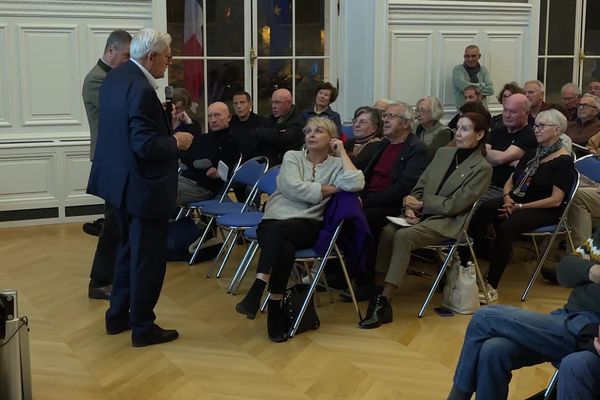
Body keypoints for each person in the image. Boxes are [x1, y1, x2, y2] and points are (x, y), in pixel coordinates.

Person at [87, 28, 194, 347]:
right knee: (146, 259)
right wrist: (176, 140)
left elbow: (126, 131)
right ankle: (143, 326)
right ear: (151, 57)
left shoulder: (115, 78)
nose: (169, 62)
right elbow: (145, 146)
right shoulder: (142, 89)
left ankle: (117, 317)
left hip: (118, 184)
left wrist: (162, 122)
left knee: (125, 252)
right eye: (167, 57)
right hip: (142, 189)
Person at [234, 117, 364, 342]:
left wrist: (342, 152)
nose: (311, 134)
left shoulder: (336, 165)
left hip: (306, 224)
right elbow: (290, 187)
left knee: (279, 235)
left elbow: (356, 183)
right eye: (308, 131)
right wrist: (327, 189)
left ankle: (258, 288)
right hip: (273, 219)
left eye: (319, 131)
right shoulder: (292, 157)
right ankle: (274, 307)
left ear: (332, 139)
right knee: (283, 248)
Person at [359, 112, 492, 329]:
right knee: (388, 231)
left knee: (403, 236)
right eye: (457, 128)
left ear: (479, 135)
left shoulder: (482, 168)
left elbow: (455, 205)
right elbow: (420, 186)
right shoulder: (443, 154)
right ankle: (377, 292)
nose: (458, 134)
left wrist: (421, 205)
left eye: (465, 129)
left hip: (448, 222)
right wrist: (410, 203)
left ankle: (384, 302)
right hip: (421, 215)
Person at [446, 254, 600, 400]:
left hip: (587, 328)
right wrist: (590, 271)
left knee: (484, 318)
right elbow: (564, 272)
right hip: (566, 316)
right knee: (493, 349)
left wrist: (584, 270)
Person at [468, 109, 576, 303]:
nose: (536, 129)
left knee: (507, 227)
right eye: (536, 125)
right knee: (482, 210)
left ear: (557, 130)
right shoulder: (533, 153)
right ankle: (468, 265)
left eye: (542, 126)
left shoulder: (564, 161)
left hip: (545, 209)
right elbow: (512, 179)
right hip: (517, 199)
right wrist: (508, 198)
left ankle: (491, 284)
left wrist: (519, 206)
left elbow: (556, 200)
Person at [346, 102, 429, 302]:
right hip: (370, 198)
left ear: (406, 123)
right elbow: (361, 171)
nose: (385, 119)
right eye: (385, 116)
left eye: (391, 116)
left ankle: (366, 283)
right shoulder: (383, 144)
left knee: (361, 219)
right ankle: (338, 273)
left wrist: (365, 202)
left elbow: (402, 189)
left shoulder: (417, 149)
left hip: (394, 205)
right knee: (335, 209)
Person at [82, 29, 132, 300]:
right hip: (109, 158)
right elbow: (117, 117)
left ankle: (110, 276)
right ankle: (99, 281)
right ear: (110, 50)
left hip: (115, 158)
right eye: (125, 55)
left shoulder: (111, 77)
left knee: (117, 222)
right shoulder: (96, 80)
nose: (126, 61)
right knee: (113, 224)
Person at [177, 102, 240, 206]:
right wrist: (198, 161)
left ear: (228, 117)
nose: (213, 120)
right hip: (184, 179)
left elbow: (206, 162)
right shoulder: (204, 138)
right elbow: (185, 156)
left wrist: (197, 162)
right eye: (210, 116)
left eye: (217, 115)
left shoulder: (231, 142)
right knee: (152, 184)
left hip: (203, 187)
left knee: (161, 193)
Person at [483, 93, 537, 201]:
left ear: (526, 113)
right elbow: (482, 154)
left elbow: (501, 158)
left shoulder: (529, 135)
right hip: (484, 184)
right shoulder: (496, 132)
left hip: (505, 189)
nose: (507, 115)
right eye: (505, 110)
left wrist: (498, 158)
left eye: (513, 112)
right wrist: (506, 161)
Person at [253, 88, 304, 166]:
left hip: (285, 164)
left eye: (277, 102)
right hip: (264, 162)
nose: (273, 106)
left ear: (289, 103)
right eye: (272, 102)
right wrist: (276, 133)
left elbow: (284, 139)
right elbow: (257, 133)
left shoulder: (298, 120)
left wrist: (268, 134)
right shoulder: (270, 118)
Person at [452, 45, 494, 109]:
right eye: (467, 56)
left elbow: (490, 90)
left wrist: (472, 87)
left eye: (473, 56)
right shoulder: (458, 70)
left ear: (479, 56)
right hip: (464, 111)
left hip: (482, 110)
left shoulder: (483, 70)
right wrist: (482, 85)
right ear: (464, 56)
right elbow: (462, 85)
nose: (470, 59)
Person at [229, 90, 263, 161]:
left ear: (250, 104)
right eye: (236, 103)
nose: (239, 106)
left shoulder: (261, 122)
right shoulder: (229, 122)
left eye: (242, 102)